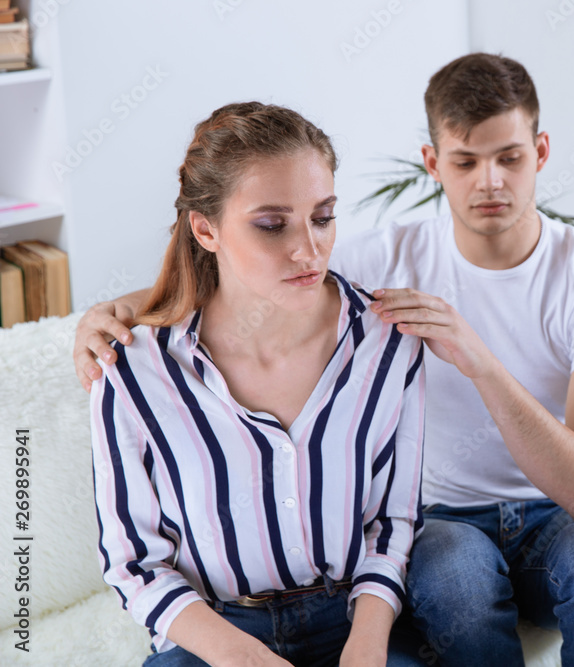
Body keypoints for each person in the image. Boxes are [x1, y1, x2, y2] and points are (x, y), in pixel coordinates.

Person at [76, 54, 574, 666]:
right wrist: (115, 313)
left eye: (509, 157)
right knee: (454, 570)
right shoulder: (381, 259)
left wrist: (479, 362)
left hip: (547, 520)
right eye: (465, 161)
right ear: (433, 162)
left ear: (540, 152)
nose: (489, 181)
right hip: (444, 524)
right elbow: (250, 277)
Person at [87, 102, 425, 667]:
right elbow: (133, 562)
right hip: (213, 632)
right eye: (272, 225)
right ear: (206, 229)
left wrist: (367, 645)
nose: (309, 250)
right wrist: (240, 656)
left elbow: (393, 524)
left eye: (323, 217)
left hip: (353, 621)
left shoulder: (388, 342)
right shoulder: (132, 368)